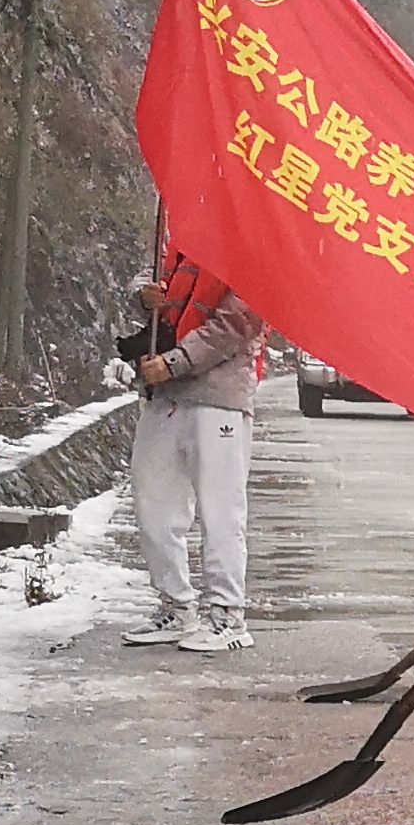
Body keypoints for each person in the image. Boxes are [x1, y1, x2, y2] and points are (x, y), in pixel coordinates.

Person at [117, 250, 264, 653]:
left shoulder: (252, 252)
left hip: (220, 398)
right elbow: (150, 276)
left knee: (221, 510)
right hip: (166, 395)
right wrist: (144, 295)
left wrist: (174, 362)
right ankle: (176, 605)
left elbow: (237, 323)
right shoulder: (184, 242)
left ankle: (227, 614)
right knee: (153, 501)